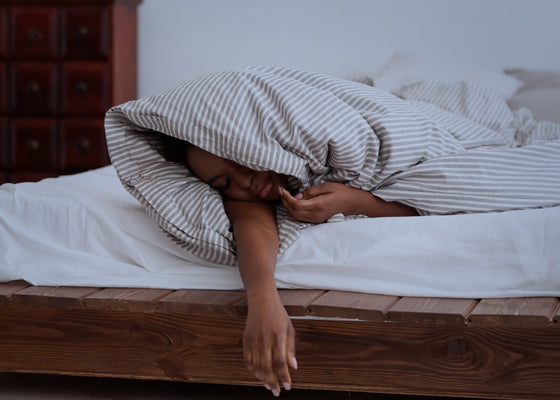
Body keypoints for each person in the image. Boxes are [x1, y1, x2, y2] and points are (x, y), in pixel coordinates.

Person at [159, 133, 416, 396]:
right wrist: (263, 302)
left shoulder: (325, 137)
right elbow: (252, 224)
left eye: (237, 160)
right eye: (224, 182)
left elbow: (445, 198)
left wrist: (355, 201)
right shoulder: (245, 195)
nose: (243, 181)